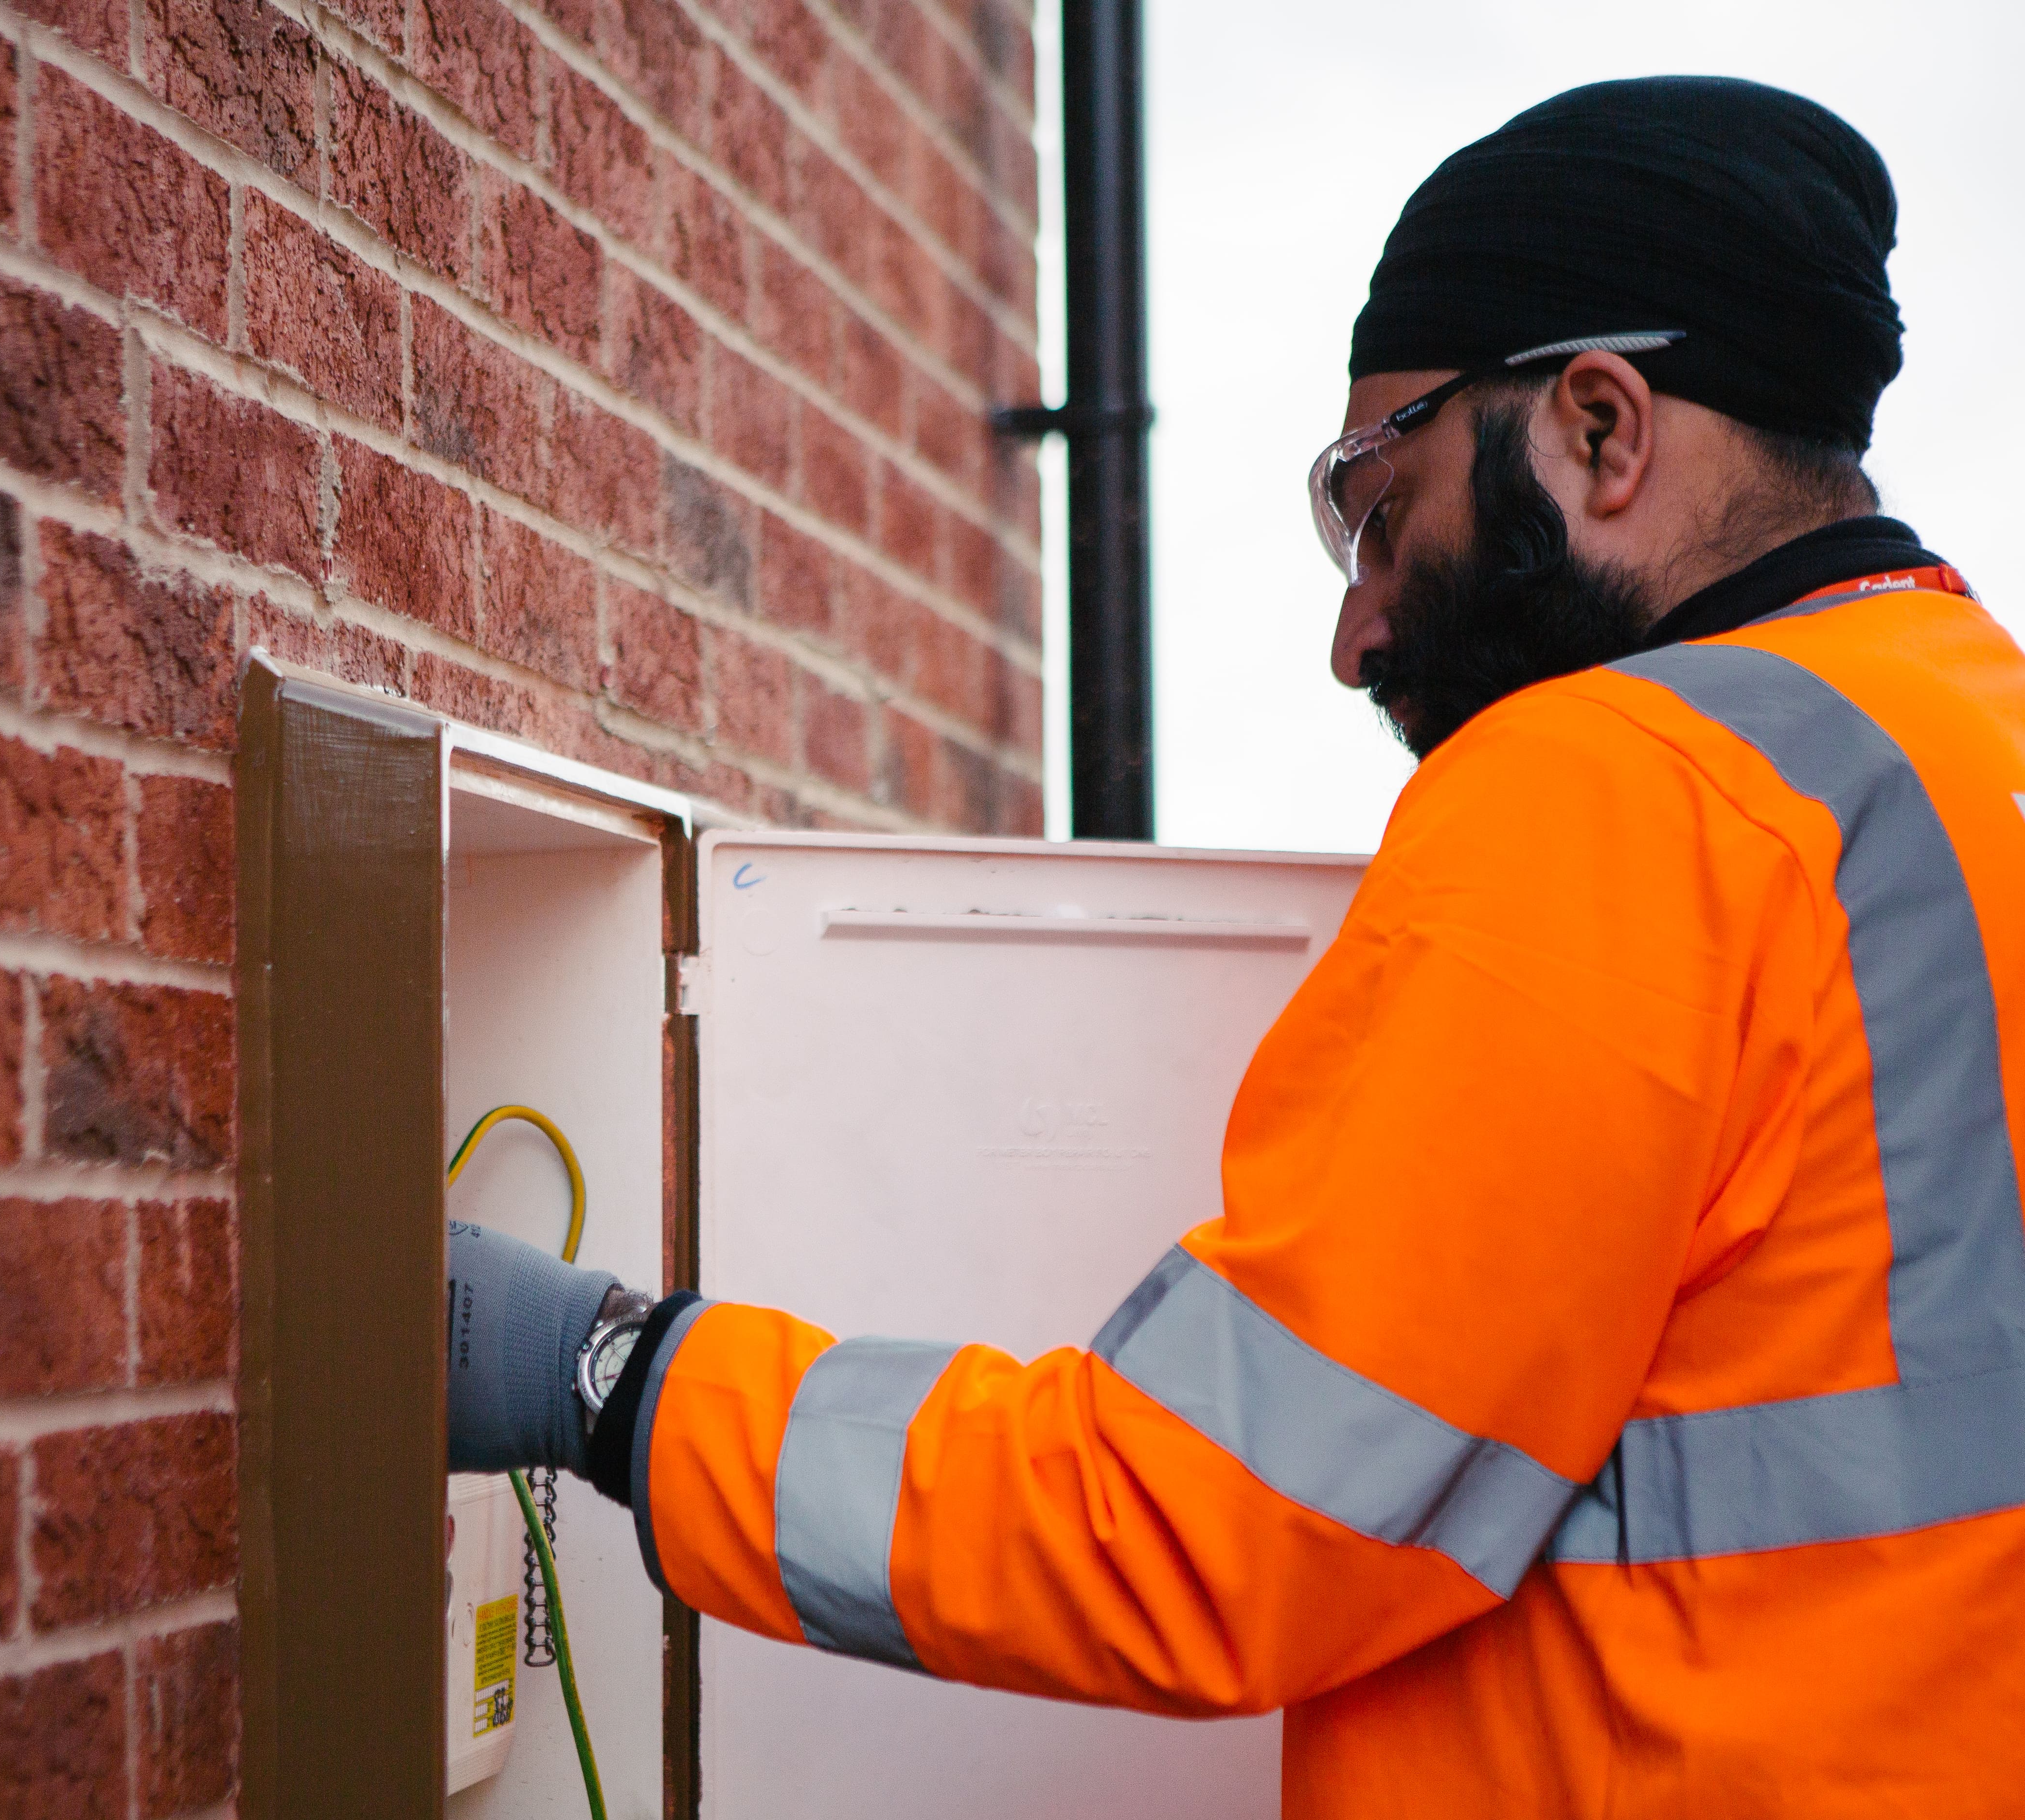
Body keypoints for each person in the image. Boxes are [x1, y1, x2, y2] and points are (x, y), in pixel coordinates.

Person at [446, 75, 2025, 1814]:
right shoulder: (1974, 753)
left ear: (1597, 430)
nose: (1358, 634)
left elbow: (1201, 1526)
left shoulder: (1624, 791)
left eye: (1376, 499)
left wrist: (606, 1375)